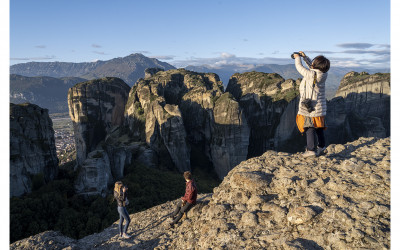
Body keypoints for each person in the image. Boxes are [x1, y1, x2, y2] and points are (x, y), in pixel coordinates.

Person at [294, 51, 330, 157]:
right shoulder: (323, 74)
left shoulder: (311, 75)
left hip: (311, 108)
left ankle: (310, 150)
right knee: (319, 128)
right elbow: (312, 67)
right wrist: (305, 57)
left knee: (309, 127)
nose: (312, 64)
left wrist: (297, 58)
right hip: (320, 108)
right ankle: (322, 147)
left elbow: (299, 67)